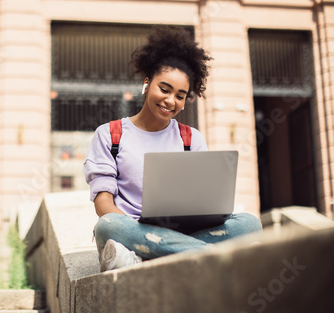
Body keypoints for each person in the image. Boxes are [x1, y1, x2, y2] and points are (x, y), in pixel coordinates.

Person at [83, 25, 263, 272]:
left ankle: (150, 257)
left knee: (249, 224)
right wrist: (143, 231)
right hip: (131, 232)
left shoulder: (191, 139)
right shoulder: (111, 134)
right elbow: (103, 205)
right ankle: (217, 256)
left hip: (181, 233)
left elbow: (203, 203)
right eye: (164, 89)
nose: (170, 101)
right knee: (108, 226)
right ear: (147, 84)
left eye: (180, 95)